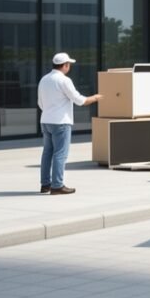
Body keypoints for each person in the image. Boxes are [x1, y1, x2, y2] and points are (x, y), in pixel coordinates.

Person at [38, 53, 102, 194]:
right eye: (69, 65)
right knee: (60, 153)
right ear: (65, 65)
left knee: (47, 153)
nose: (69, 67)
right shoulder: (64, 80)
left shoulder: (44, 79)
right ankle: (57, 185)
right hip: (61, 122)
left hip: (46, 120)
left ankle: (45, 184)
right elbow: (79, 100)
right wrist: (96, 98)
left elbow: (40, 103)